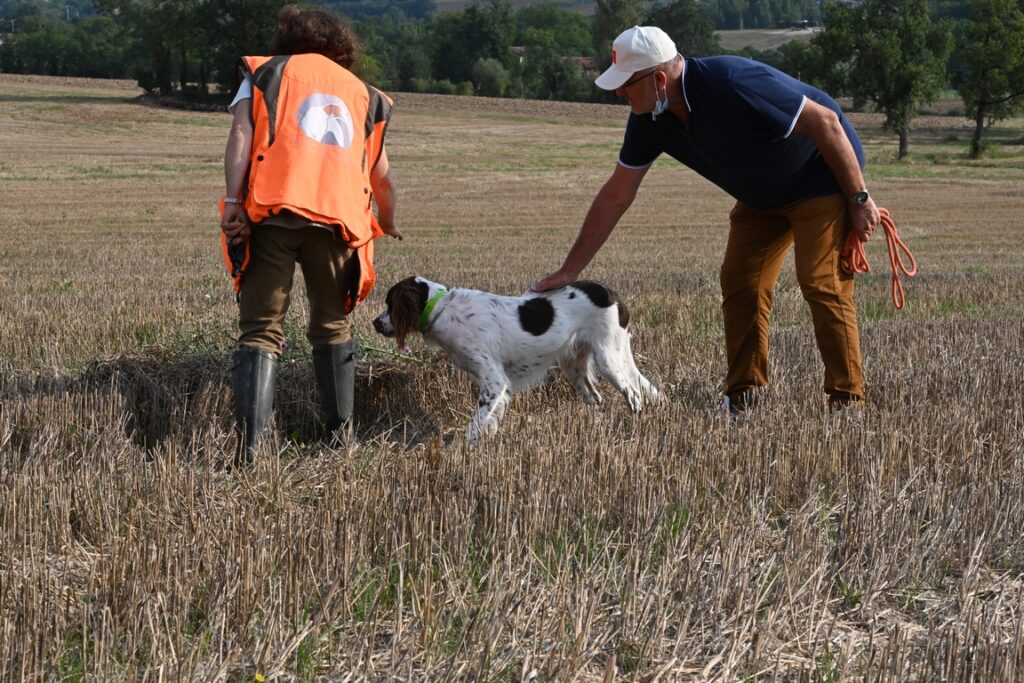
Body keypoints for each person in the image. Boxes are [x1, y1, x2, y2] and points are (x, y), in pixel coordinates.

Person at [533, 26, 881, 414]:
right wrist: (569, 270)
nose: (619, 93)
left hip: (818, 177)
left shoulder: (732, 83)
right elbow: (617, 195)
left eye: (626, 84)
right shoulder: (649, 118)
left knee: (821, 282)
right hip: (761, 196)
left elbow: (827, 123)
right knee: (740, 281)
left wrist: (858, 198)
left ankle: (847, 402)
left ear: (659, 79)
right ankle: (743, 397)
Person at [219, 4, 402, 462]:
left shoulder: (265, 73)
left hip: (274, 213)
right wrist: (390, 218)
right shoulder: (365, 94)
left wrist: (233, 200)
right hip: (338, 222)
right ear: (341, 46)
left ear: (287, 39)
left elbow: (241, 133)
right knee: (333, 326)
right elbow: (381, 173)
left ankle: (251, 452)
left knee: (260, 330)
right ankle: (340, 443)